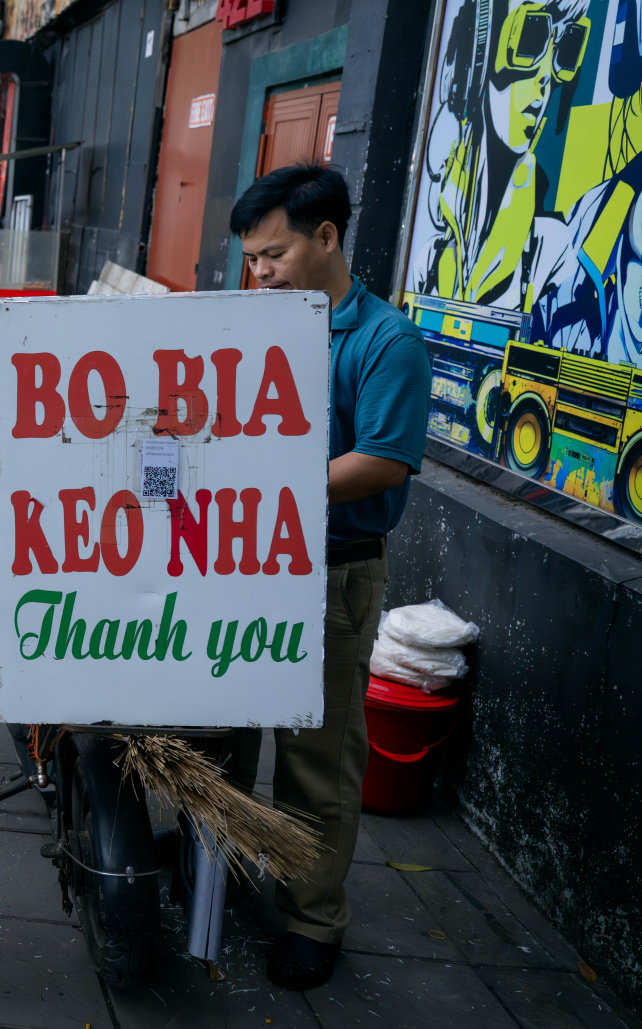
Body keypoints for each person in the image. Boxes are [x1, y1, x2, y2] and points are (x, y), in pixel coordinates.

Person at [226, 162, 430, 992]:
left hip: (332, 570)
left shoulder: (387, 340)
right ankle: (229, 866)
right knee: (227, 733)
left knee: (316, 754)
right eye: (250, 258)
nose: (259, 272)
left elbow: (382, 462)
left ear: (327, 236)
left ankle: (313, 915)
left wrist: (270, 486)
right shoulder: (258, 325)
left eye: (272, 254)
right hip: (239, 562)